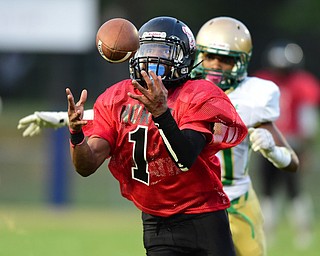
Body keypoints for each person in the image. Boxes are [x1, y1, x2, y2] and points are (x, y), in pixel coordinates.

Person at [17, 16, 299, 256]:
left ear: (185, 57)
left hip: (204, 215)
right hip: (155, 221)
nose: (154, 58)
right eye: (148, 49)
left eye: (164, 51)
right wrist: (76, 134)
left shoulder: (200, 94)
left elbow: (185, 157)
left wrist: (162, 113)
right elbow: (86, 166)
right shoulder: (116, 97)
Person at [191, 17, 299, 256]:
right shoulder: (181, 91)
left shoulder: (254, 95)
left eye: (226, 60)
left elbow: (292, 163)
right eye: (209, 56)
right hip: (192, 204)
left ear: (241, 62)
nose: (216, 66)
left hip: (236, 202)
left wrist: (272, 151)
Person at [254, 40, 320, 249]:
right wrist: (306, 147)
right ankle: (300, 234)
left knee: (273, 192)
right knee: (290, 191)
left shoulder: (262, 81)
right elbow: (308, 123)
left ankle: (276, 234)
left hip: (272, 141)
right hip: (289, 142)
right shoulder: (303, 82)